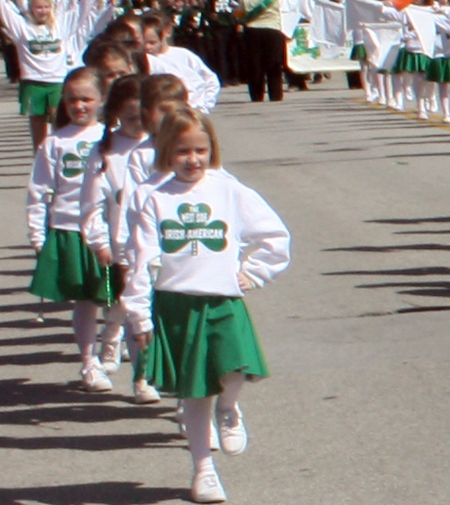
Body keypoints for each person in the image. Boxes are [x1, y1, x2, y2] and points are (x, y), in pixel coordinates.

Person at [121, 107, 291, 503]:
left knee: (234, 367)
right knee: (194, 394)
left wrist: (254, 272)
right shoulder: (151, 196)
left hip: (222, 298)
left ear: (211, 148)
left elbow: (273, 236)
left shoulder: (228, 189)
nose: (193, 159)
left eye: (200, 149)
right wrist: (139, 313)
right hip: (176, 305)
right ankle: (203, 469)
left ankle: (229, 408)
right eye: (182, 151)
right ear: (165, 152)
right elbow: (142, 259)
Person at [27, 66, 111, 393]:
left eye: (87, 99)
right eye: (72, 100)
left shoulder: (109, 136)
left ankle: (127, 361)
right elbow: (39, 190)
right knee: (86, 301)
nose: (79, 106)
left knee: (120, 300)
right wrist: (38, 234)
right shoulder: (54, 142)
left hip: (107, 230)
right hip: (68, 228)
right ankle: (89, 362)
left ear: (101, 100)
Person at [80, 74, 161, 402]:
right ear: (114, 112)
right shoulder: (105, 152)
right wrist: (98, 241)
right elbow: (91, 203)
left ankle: (147, 370)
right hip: (123, 247)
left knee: (153, 313)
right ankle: (140, 375)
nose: (138, 124)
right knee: (129, 309)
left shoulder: (162, 146)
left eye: (144, 117)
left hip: (161, 247)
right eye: (130, 118)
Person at [0, 0, 87, 152]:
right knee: (37, 125)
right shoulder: (22, 27)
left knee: (60, 121)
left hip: (57, 83)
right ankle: (39, 159)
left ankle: (60, 153)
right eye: (38, 7)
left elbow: (81, 9)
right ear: (31, 9)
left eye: (46, 7)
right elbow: (4, 8)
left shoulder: (61, 25)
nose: (43, 11)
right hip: (32, 83)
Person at [141, 10, 221, 113]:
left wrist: (203, 106)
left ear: (167, 31)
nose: (147, 46)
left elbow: (210, 80)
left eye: (152, 42)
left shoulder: (183, 54)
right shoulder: (145, 60)